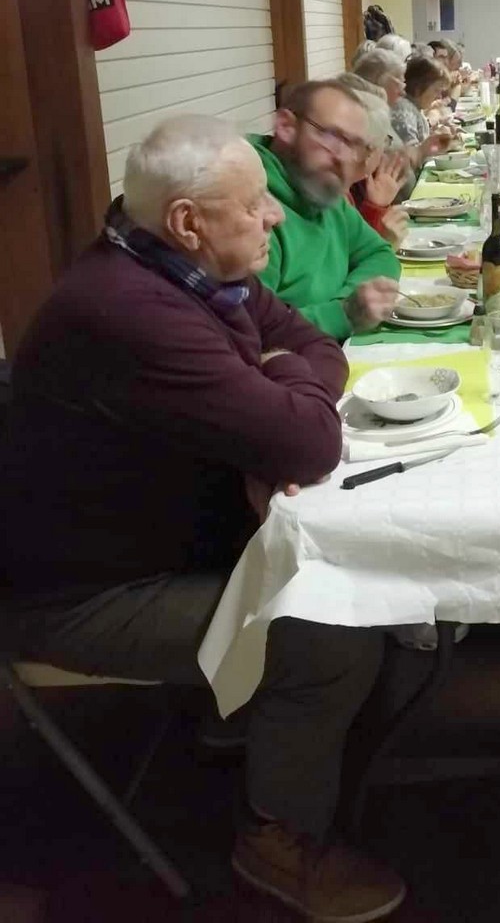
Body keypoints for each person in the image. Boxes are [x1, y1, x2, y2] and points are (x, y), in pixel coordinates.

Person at [2, 114, 406, 921]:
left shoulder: (191, 269)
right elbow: (309, 441)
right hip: (81, 595)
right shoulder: (131, 309)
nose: (275, 216)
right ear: (188, 221)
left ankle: (255, 724)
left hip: (168, 537)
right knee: (331, 628)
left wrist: (279, 371)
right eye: (254, 204)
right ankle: (277, 838)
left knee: (355, 573)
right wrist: (285, 387)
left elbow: (309, 342)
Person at [251, 79, 402, 342]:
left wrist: (348, 302)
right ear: (286, 126)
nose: (343, 158)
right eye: (333, 137)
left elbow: (381, 254)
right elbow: (253, 332)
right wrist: (343, 314)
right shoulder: (250, 207)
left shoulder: (322, 192)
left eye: (356, 146)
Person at [333, 72, 411, 248]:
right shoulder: (334, 196)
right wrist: (386, 243)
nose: (384, 152)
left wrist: (376, 206)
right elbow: (350, 256)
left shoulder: (344, 189)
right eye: (385, 141)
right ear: (369, 150)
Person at [352, 48, 451, 173]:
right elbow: (396, 166)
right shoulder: (395, 111)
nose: (403, 90)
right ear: (378, 83)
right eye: (399, 81)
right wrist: (421, 151)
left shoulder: (383, 113)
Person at [390, 54, 452, 148]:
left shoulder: (414, 108)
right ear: (418, 88)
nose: (439, 96)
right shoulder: (404, 110)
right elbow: (411, 151)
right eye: (436, 90)